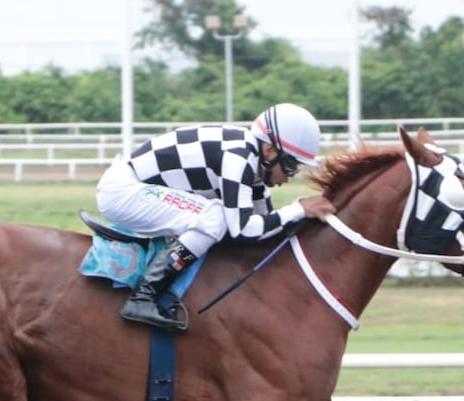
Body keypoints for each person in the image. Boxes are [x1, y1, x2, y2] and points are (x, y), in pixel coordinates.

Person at [95, 102, 337, 333]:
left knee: (219, 218)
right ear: (270, 150)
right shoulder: (239, 156)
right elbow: (243, 230)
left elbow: (266, 230)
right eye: (290, 166)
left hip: (137, 189)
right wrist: (298, 209)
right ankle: (143, 297)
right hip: (123, 190)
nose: (288, 177)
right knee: (215, 218)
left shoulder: (252, 164)